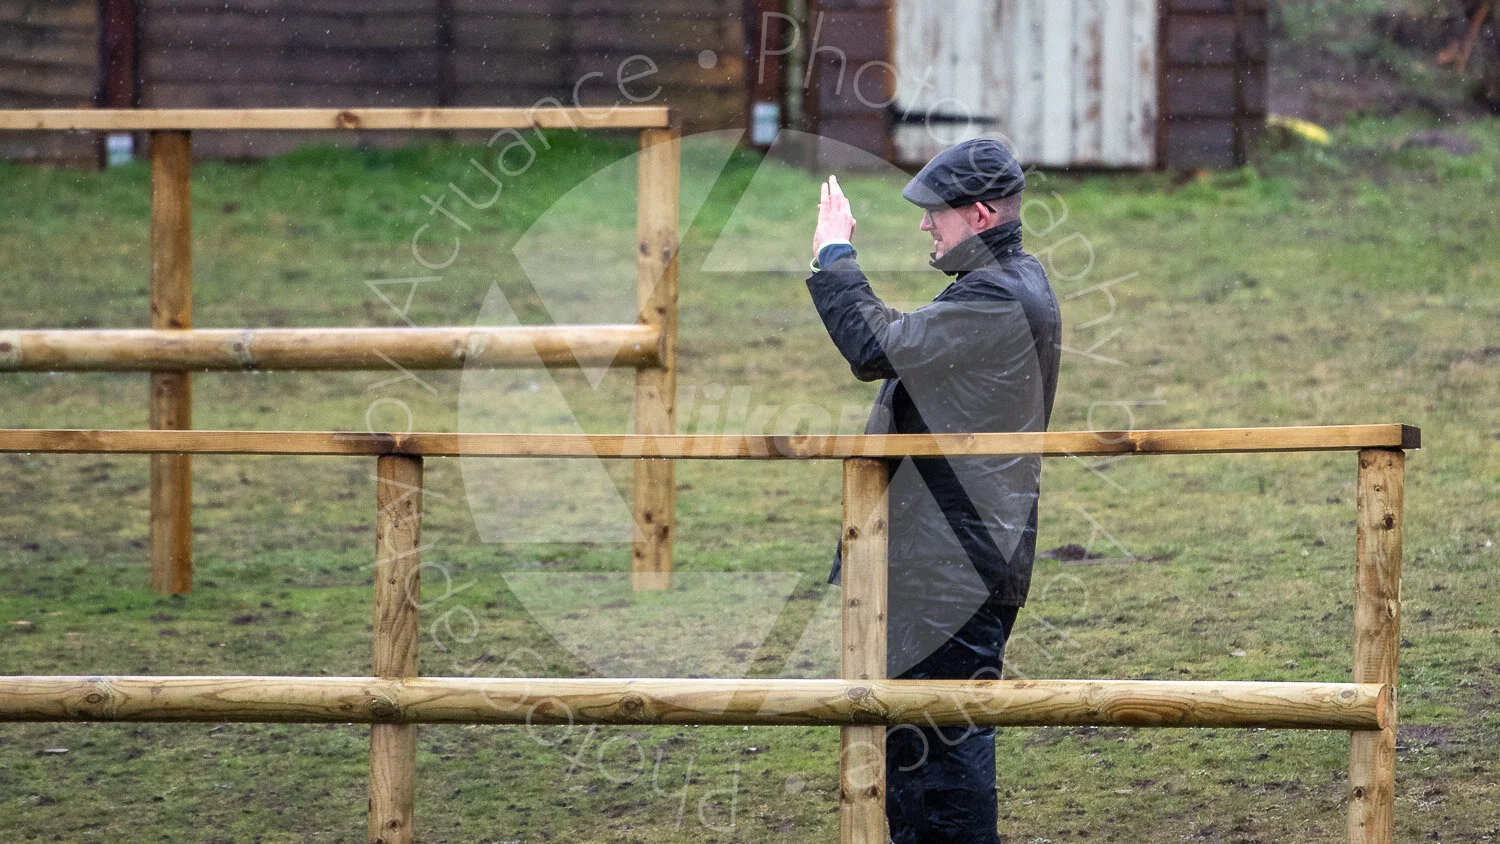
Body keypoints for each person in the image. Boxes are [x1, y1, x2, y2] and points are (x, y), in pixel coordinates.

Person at [805, 138, 1061, 843]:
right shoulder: (1009, 280)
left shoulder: (998, 296)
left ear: (978, 214)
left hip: (948, 565)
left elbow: (875, 347)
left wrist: (834, 257)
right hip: (957, 556)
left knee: (936, 757)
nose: (925, 225)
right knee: (929, 745)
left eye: (935, 213)